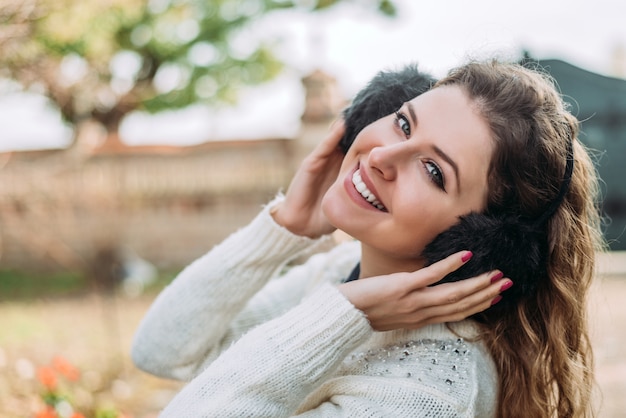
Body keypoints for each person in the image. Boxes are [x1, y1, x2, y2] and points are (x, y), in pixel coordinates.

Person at [131, 59, 604, 417]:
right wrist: (282, 232)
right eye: (403, 122)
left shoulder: (425, 393)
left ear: (479, 245)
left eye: (434, 170)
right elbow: (161, 351)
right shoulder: (342, 274)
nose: (382, 156)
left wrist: (340, 316)